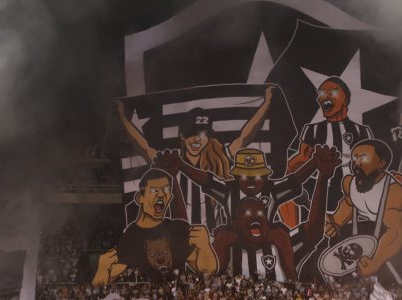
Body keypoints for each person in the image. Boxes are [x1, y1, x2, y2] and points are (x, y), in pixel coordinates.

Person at [155, 146, 338, 280]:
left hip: (266, 237)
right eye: (245, 175)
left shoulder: (279, 235)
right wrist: (178, 169)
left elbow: (294, 181)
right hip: (232, 238)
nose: (250, 181)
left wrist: (317, 167)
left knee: (279, 236)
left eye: (256, 176)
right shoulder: (227, 206)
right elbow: (207, 181)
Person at [117, 86, 276, 229]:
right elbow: (144, 147)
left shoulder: (218, 157)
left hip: (212, 243)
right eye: (190, 134)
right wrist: (121, 116)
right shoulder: (170, 160)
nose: (196, 140)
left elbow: (244, 137)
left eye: (202, 134)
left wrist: (267, 103)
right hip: (178, 239)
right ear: (181, 135)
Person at [91, 168, 217, 286]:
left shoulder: (179, 228)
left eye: (166, 190)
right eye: (154, 191)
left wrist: (205, 247)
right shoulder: (131, 237)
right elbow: (102, 284)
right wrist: (102, 270)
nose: (161, 195)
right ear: (140, 198)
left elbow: (208, 273)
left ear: (169, 197)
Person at [282, 77, 374, 224]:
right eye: (322, 93)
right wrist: (284, 175)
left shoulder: (362, 132)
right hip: (318, 194)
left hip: (352, 196)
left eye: (332, 91)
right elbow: (299, 160)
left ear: (346, 99)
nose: (325, 95)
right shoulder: (312, 130)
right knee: (283, 187)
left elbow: (372, 166)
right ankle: (292, 230)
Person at [323, 139, 402, 285]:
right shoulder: (349, 182)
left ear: (381, 163)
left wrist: (377, 260)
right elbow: (349, 203)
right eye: (355, 158)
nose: (356, 163)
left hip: (390, 243)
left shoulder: (392, 190)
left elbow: (397, 232)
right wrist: (336, 221)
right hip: (366, 238)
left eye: (363, 157)